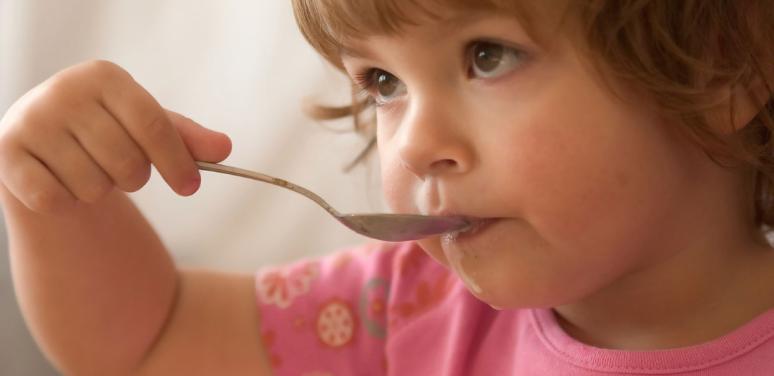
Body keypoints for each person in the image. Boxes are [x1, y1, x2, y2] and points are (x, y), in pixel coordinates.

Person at [1, 0, 773, 374]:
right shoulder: (406, 312)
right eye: (382, 82)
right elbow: (151, 339)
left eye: (488, 57)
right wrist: (60, 200)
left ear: (721, 76)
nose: (414, 144)